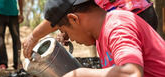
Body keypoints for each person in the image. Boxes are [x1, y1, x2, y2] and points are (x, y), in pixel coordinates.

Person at [40, 0, 165, 77]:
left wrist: (79, 74)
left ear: (74, 19)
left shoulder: (118, 25)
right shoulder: (102, 39)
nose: (71, 39)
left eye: (65, 31)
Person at [22, 0, 158, 59]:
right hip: (137, 10)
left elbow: (131, 76)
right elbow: (68, 7)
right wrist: (67, 27)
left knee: (128, 75)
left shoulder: (118, 27)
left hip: (132, 13)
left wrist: (34, 36)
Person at [0, 0, 24, 70]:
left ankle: (17, 62)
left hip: (13, 14)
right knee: (0, 40)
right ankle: (2, 63)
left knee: (16, 39)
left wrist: (21, 13)